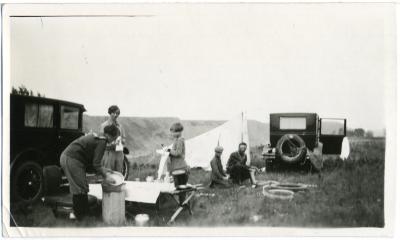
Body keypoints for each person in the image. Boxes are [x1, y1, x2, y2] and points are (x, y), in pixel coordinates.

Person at [60, 125, 119, 220]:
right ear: (108, 135)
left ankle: (83, 214)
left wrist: (104, 170)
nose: (114, 140)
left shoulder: (99, 137)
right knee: (79, 188)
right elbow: (96, 164)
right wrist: (106, 176)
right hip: (72, 159)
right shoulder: (102, 142)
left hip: (70, 158)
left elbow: (93, 163)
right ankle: (81, 217)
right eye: (114, 138)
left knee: (81, 187)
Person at [167, 122, 189, 205]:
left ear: (179, 132)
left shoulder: (180, 140)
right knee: (179, 187)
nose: (172, 134)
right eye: (171, 132)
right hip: (177, 168)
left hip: (180, 168)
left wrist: (169, 151)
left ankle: (183, 204)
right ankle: (182, 204)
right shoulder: (177, 140)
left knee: (181, 187)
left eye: (173, 132)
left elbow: (178, 153)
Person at [99, 105, 126, 173]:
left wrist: (122, 141)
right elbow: (101, 140)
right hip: (109, 152)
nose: (116, 115)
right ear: (110, 113)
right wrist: (111, 144)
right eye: (114, 113)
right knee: (109, 172)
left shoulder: (120, 126)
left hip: (119, 152)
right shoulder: (104, 125)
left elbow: (124, 138)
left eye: (118, 113)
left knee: (118, 172)